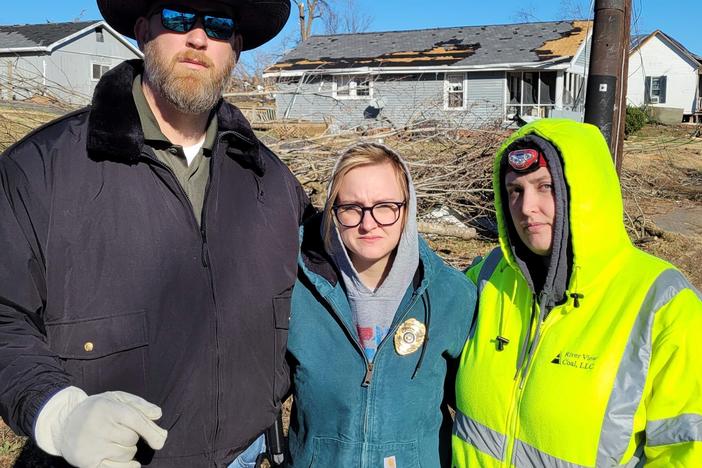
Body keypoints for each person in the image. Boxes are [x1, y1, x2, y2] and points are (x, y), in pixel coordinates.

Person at [0, 1, 310, 467]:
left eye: (220, 24)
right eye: (180, 16)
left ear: (237, 49)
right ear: (143, 31)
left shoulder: (271, 181)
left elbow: (341, 267)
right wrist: (59, 414)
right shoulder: (40, 170)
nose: (199, 38)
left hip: (247, 456)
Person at [453, 119, 702, 467]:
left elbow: (685, 453)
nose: (526, 208)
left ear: (586, 192)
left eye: (546, 186)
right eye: (515, 190)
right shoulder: (490, 276)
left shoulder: (663, 304)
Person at [286, 142, 477, 467]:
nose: (368, 223)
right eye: (351, 207)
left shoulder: (451, 296)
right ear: (333, 211)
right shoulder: (296, 291)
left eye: (385, 206)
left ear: (407, 209)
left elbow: (477, 405)